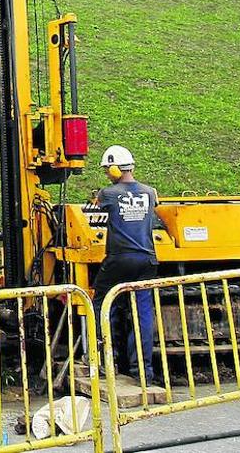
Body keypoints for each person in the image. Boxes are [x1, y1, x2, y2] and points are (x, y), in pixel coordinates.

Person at [92, 145, 159, 381]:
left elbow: (93, 209)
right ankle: (143, 372)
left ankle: (104, 361)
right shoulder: (150, 192)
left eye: (106, 170)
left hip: (119, 260)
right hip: (147, 260)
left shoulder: (108, 193)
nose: (106, 175)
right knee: (143, 313)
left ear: (114, 168)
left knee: (101, 303)